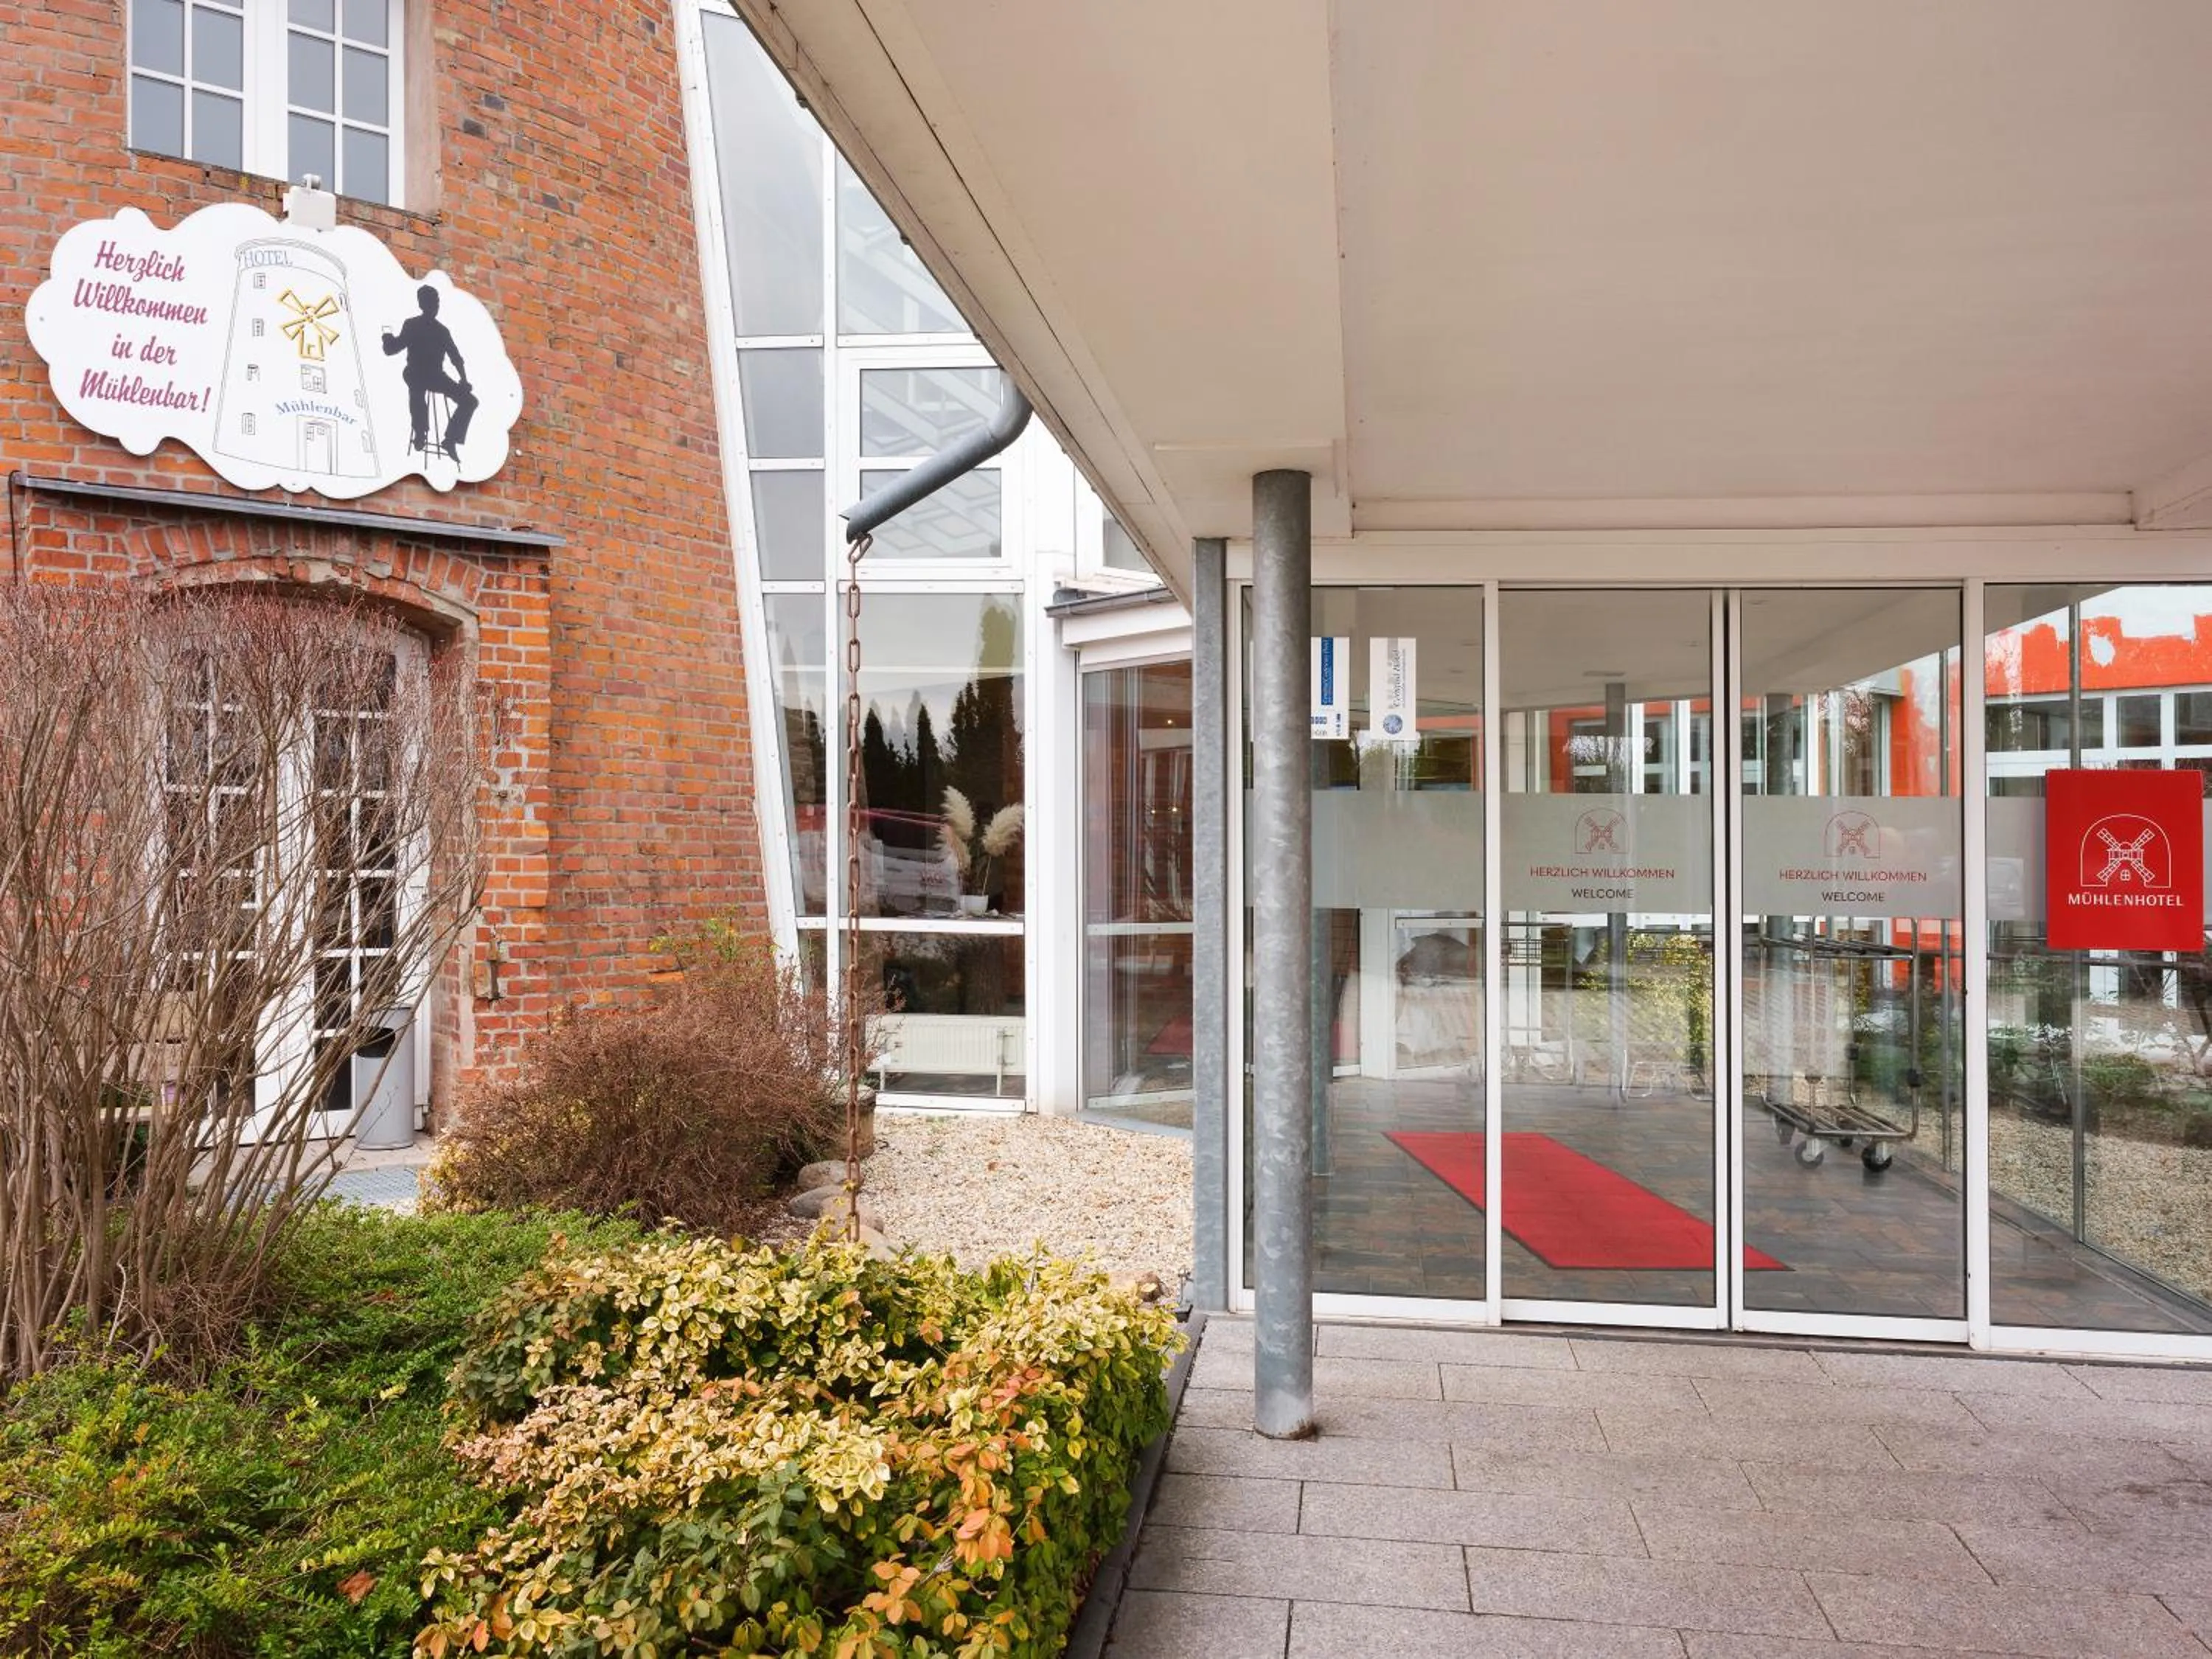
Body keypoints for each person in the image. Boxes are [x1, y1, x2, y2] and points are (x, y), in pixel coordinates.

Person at [381, 285, 477, 462]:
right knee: (417, 391)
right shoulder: (413, 325)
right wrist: (388, 338)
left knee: (470, 401)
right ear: (423, 304)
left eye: (437, 302)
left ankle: (450, 439)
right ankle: (420, 431)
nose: (436, 306)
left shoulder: (442, 331)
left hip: (435, 376)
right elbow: (394, 348)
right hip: (416, 372)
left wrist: (463, 380)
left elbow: (456, 357)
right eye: (433, 302)